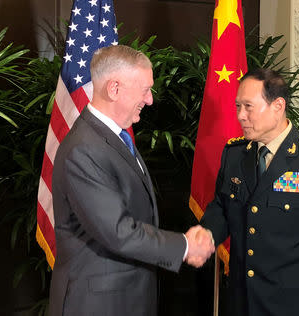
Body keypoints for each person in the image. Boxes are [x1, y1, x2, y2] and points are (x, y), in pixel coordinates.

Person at [48, 45, 214, 316]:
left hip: (124, 299)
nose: (149, 100)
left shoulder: (112, 137)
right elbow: (118, 231)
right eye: (145, 89)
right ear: (114, 89)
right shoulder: (84, 148)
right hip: (98, 305)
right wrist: (184, 246)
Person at [200, 68, 299, 316]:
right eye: (238, 106)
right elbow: (222, 208)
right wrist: (206, 233)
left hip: (293, 305)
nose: (240, 116)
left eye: (249, 106)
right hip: (242, 301)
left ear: (278, 106)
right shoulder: (235, 154)